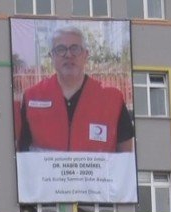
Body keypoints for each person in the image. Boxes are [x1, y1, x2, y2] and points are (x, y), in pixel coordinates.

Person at [16, 25, 135, 153]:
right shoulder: (32, 97)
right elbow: (22, 151)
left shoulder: (113, 99)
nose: (68, 55)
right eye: (60, 49)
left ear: (86, 55)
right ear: (52, 56)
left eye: (75, 48)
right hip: (45, 174)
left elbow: (125, 156)